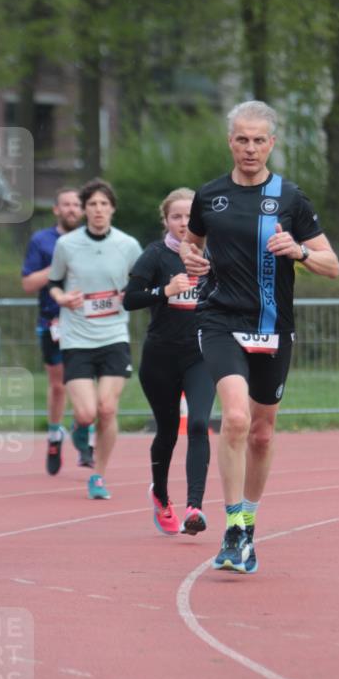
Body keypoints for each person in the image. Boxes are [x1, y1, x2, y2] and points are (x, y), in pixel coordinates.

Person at [181, 100, 339, 574]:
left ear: (272, 143)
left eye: (258, 140)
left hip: (273, 326)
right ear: (229, 141)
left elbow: (333, 266)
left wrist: (299, 251)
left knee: (262, 432)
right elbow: (191, 243)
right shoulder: (209, 196)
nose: (249, 148)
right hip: (220, 320)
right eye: (241, 139)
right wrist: (191, 261)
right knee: (234, 418)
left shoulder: (291, 198)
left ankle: (248, 520)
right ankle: (232, 527)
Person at [123, 188, 215, 537]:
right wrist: (164, 291)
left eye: (190, 216)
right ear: (166, 220)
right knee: (166, 431)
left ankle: (195, 507)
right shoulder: (155, 256)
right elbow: (129, 299)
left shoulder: (213, 254)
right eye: (176, 216)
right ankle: (161, 495)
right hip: (160, 357)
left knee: (198, 423)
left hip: (201, 355)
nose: (183, 223)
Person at [48, 178, 142, 499]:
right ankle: (78, 428)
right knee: (87, 413)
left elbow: (140, 283)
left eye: (104, 204)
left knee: (106, 409)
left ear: (112, 209)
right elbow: (54, 283)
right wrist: (62, 298)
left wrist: (131, 292)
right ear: (85, 210)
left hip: (114, 335)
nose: (98, 210)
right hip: (77, 337)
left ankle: (98, 477)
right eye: (92, 205)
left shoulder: (128, 245)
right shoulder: (67, 245)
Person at [21, 187, 92, 475]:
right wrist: (59, 262)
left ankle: (84, 434)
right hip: (54, 321)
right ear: (56, 209)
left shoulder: (94, 239)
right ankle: (54, 435)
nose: (73, 209)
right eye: (67, 204)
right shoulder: (42, 240)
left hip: (89, 320)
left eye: (77, 205)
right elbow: (28, 284)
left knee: (88, 379)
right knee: (59, 383)